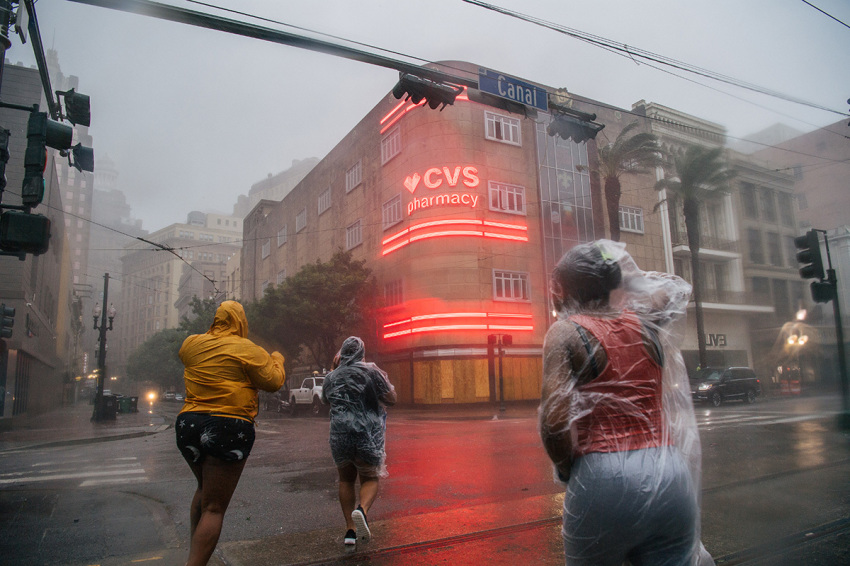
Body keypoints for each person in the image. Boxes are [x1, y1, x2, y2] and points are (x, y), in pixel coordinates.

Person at [539, 241, 711, 566]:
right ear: (613, 285)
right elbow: (674, 292)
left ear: (565, 289)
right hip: (670, 473)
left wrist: (565, 469)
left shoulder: (565, 333)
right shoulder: (646, 326)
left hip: (602, 478)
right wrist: (623, 275)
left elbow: (554, 420)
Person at [176, 300, 285, 566]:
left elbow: (190, 357)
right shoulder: (248, 350)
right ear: (241, 322)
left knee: (203, 489)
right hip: (228, 427)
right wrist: (277, 358)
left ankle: (196, 549)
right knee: (214, 507)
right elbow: (273, 382)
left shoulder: (191, 343)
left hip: (188, 425)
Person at [322, 336, 397, 546]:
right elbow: (391, 399)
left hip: (340, 436)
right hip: (367, 435)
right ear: (361, 354)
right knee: (370, 478)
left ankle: (350, 531)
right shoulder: (371, 372)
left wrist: (333, 369)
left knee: (346, 480)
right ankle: (361, 511)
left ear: (342, 353)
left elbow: (325, 399)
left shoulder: (332, 376)